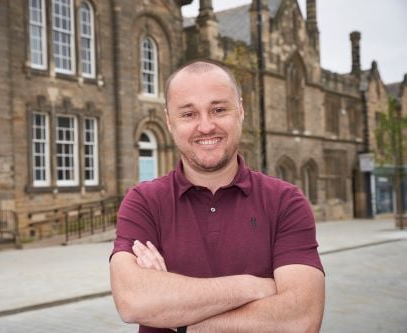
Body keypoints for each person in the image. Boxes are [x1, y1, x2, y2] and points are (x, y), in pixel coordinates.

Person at [110, 59, 325, 333]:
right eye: (188, 114)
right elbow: (133, 301)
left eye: (219, 109)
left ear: (241, 111)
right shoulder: (143, 202)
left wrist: (182, 320)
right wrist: (254, 286)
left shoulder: (286, 202)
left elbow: (301, 320)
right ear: (168, 120)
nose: (206, 126)